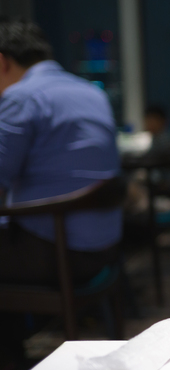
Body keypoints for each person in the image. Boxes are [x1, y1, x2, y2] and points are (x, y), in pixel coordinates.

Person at [0, 18, 121, 285]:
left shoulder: (21, 97)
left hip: (55, 254)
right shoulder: (92, 92)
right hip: (106, 248)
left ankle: (19, 325)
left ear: (2, 62)